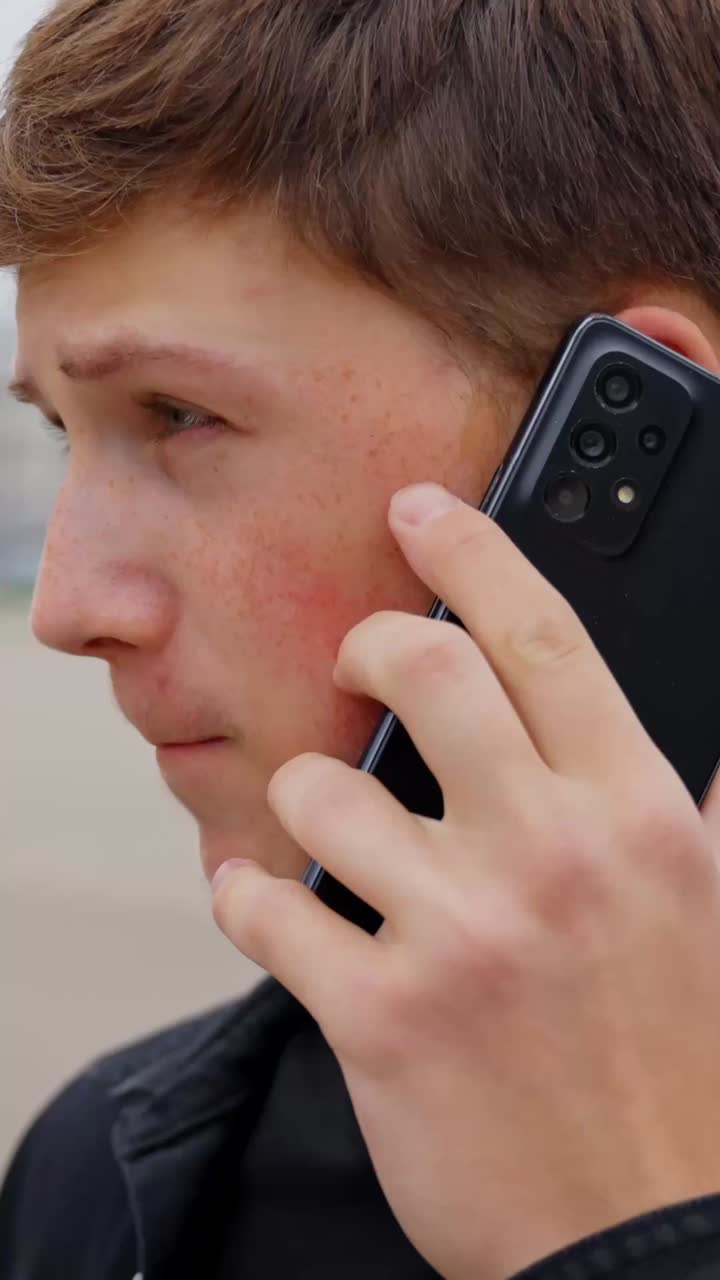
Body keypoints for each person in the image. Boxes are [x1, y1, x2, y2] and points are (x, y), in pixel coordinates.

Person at [5, 0, 720, 1276]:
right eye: (64, 431)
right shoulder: (102, 1177)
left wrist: (636, 1226)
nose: (66, 605)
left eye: (178, 414)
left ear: (632, 446)